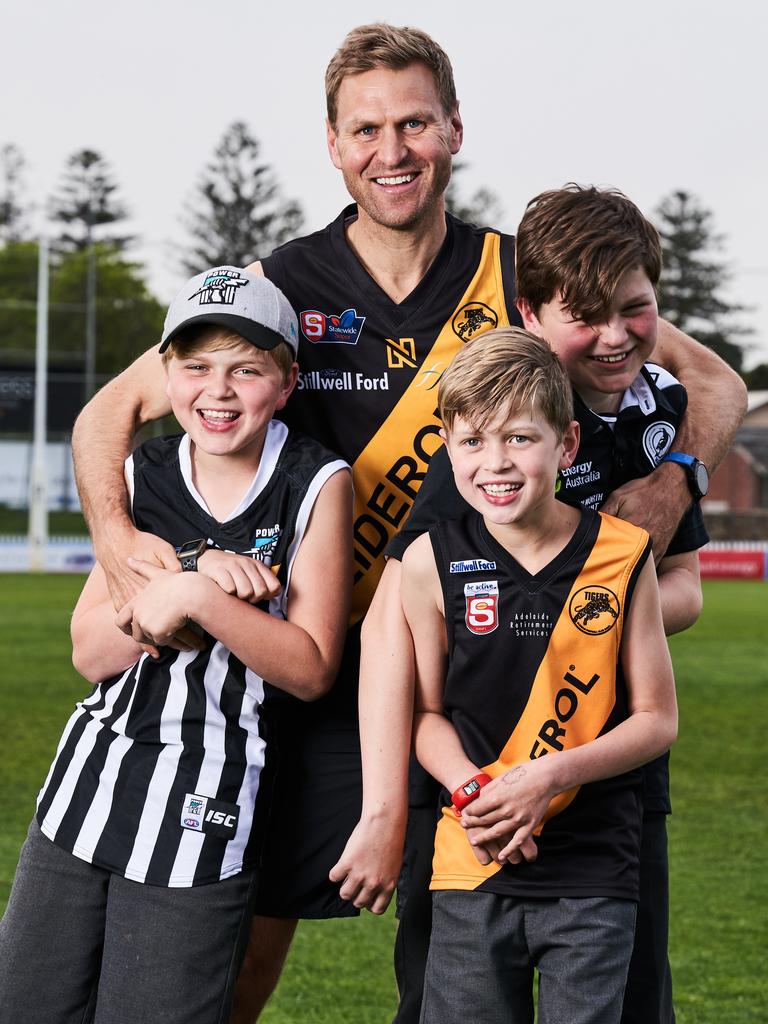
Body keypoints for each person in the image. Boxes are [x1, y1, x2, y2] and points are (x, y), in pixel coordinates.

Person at [68, 24, 745, 1022]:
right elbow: (104, 415)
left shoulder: (525, 271)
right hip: (308, 665)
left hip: (480, 678)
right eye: (368, 128)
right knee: (242, 929)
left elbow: (712, 380)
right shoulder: (282, 284)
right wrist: (123, 549)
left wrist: (666, 490)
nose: (394, 150)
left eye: (416, 122)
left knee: (489, 956)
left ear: (454, 129)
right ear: (335, 146)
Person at [367, 184, 706, 1024]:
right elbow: (403, 626)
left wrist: (597, 608)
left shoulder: (658, 413)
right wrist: (415, 800)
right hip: (472, 789)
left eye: (637, 311)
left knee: (628, 1001)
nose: (617, 336)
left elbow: (685, 597)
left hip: (605, 787)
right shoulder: (486, 436)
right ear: (530, 313)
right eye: (587, 316)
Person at [0, 267, 351, 1024]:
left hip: (208, 799)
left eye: (245, 369)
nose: (217, 391)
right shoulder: (142, 472)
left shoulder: (315, 482)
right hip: (88, 784)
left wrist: (199, 601)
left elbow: (313, 668)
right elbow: (91, 653)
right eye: (195, 367)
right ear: (166, 374)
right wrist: (187, 576)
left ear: (286, 382)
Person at [401, 327, 678, 1024]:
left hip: (594, 873)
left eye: (520, 439)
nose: (495, 463)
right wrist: (476, 796)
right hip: (473, 857)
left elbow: (657, 719)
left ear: (567, 445)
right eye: (473, 442)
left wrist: (548, 777)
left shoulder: (623, 554)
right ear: (448, 447)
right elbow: (425, 714)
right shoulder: (427, 561)